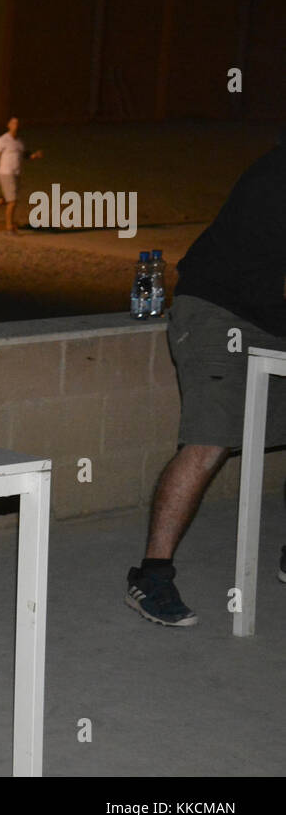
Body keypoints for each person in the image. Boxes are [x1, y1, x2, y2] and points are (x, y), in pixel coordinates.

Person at [127, 137, 286, 626]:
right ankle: (150, 574)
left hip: (270, 311)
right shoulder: (274, 181)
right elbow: (257, 279)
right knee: (209, 438)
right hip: (220, 310)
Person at [0, 116, 43, 234]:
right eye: (13, 123)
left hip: (16, 174)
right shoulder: (2, 140)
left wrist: (35, 156)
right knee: (12, 201)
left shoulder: (20, 142)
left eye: (18, 123)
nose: (16, 125)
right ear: (8, 125)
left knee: (9, 198)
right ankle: (9, 228)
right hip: (5, 173)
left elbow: (24, 155)